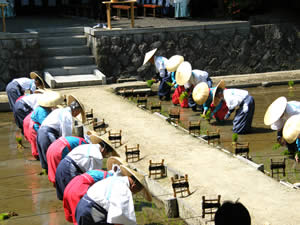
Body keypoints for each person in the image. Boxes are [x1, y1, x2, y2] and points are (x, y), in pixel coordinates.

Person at [75, 165, 152, 225]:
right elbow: (120, 218)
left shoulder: (115, 179)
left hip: (82, 205)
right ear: (134, 186)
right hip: (91, 212)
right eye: (136, 191)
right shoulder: (124, 190)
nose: (134, 194)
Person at [63, 157, 124, 224]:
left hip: (71, 185)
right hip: (79, 190)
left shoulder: (101, 172)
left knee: (77, 216)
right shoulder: (111, 179)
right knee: (83, 217)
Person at [55, 134, 114, 201]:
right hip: (69, 171)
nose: (104, 157)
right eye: (106, 155)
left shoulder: (88, 146)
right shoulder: (97, 156)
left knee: (65, 195)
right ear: (104, 150)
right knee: (72, 197)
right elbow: (92, 176)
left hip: (62, 165)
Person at [36, 95, 86, 172]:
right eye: (78, 113)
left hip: (40, 132)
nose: (76, 115)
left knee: (45, 158)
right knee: (53, 158)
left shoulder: (58, 110)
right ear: (76, 110)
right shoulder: (67, 115)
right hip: (48, 135)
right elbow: (66, 137)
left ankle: (48, 174)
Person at [23, 91, 63, 159]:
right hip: (35, 128)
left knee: (38, 142)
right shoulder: (42, 111)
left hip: (34, 124)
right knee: (37, 143)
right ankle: (38, 156)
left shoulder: (45, 108)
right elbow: (45, 123)